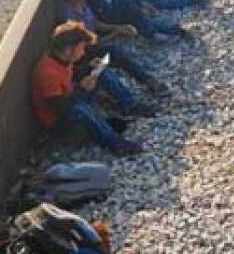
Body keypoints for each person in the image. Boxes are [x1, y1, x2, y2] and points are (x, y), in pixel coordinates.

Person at [32, 22, 151, 155]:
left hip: (71, 99)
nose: (83, 53)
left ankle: (130, 106)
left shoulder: (64, 60)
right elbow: (60, 108)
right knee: (80, 108)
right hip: (58, 120)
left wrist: (89, 68)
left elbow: (70, 75)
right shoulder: (48, 71)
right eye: (81, 48)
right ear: (69, 49)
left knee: (101, 73)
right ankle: (116, 143)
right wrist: (81, 89)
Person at [55, 0, 167, 94]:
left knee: (129, 16)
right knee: (113, 52)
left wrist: (116, 27)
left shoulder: (80, 2)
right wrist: (115, 34)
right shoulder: (67, 16)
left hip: (94, 39)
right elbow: (86, 46)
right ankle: (141, 83)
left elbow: (95, 23)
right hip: (83, 53)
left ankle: (145, 70)